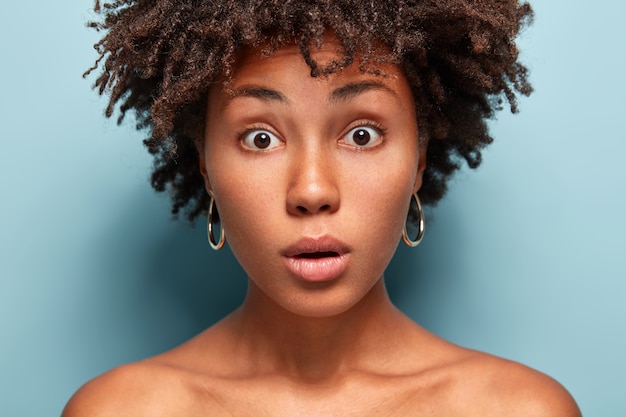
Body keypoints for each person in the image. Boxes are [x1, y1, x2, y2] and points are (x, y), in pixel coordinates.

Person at [63, 0, 581, 415]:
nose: (311, 191)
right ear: (206, 167)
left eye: (361, 134)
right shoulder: (121, 410)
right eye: (260, 138)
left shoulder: (519, 409)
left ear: (419, 160)